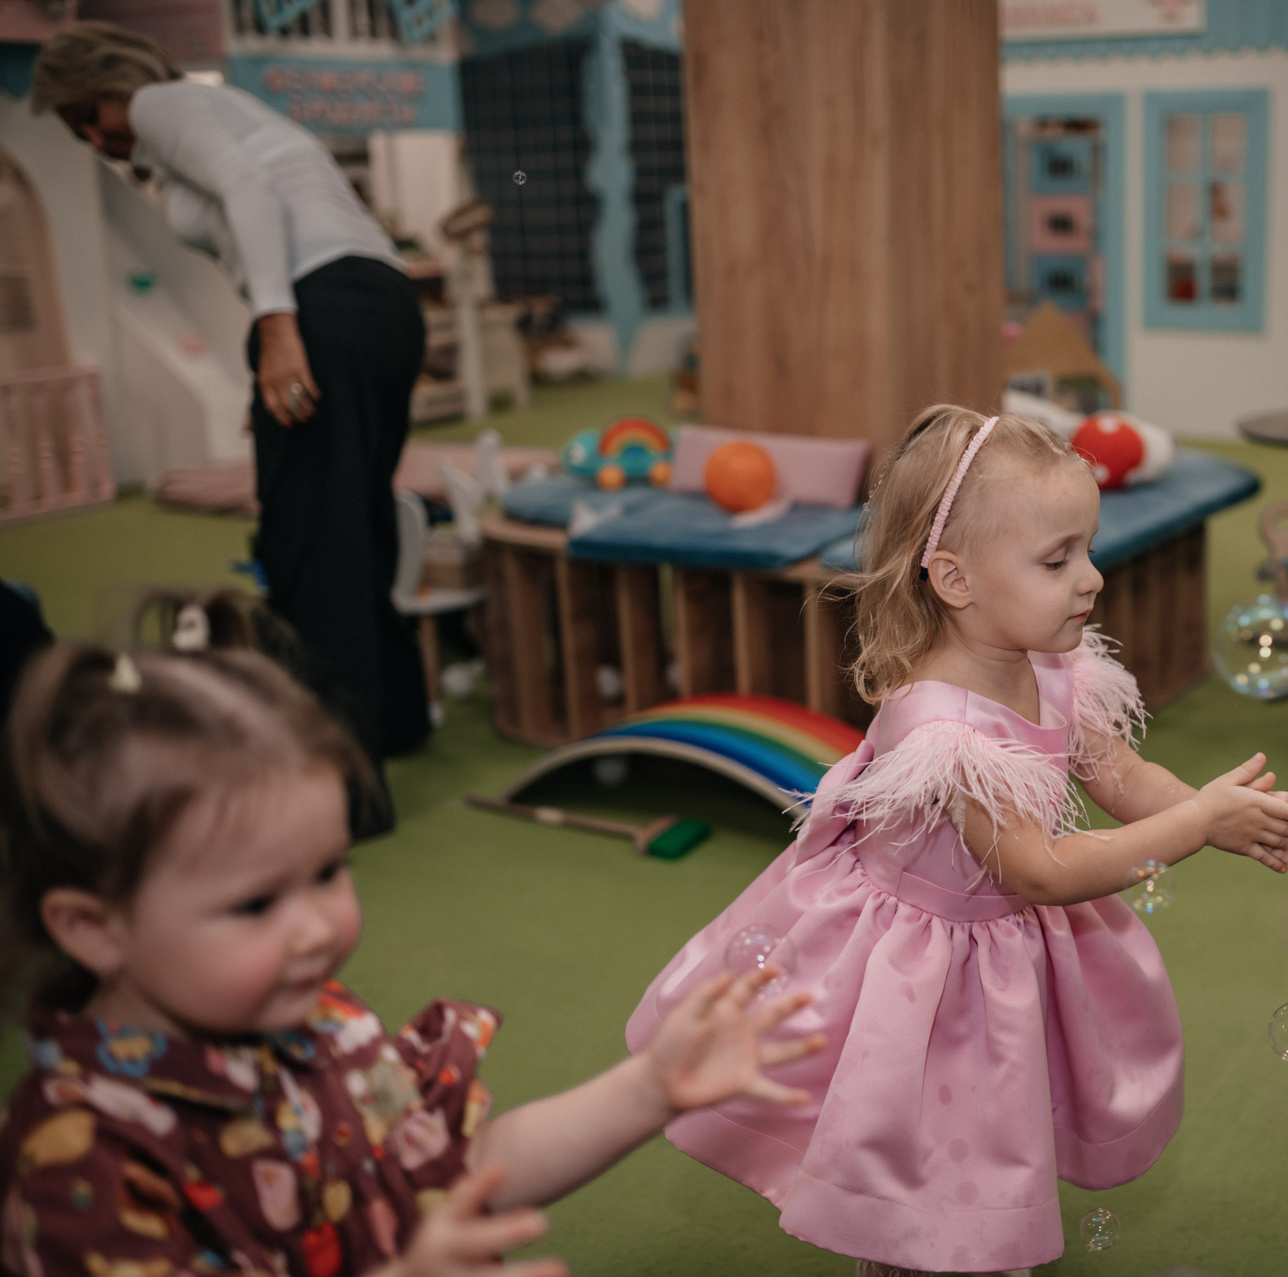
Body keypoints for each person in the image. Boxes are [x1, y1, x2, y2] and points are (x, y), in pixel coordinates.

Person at [624, 407, 1288, 1275]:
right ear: (955, 578)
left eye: (1088, 549)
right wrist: (1196, 824)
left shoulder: (1053, 668)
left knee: (984, 1127)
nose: (1092, 579)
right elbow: (1041, 868)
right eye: (1057, 560)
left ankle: (971, 1241)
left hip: (997, 950)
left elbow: (1118, 773)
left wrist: (1215, 811)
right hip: (921, 965)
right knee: (914, 1137)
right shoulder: (943, 730)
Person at [0, 643, 826, 1274]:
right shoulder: (81, 1161)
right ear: (94, 927)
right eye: (255, 904)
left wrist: (648, 1088)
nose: (316, 928)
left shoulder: (321, 1020)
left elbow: (462, 1172)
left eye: (328, 871)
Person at [31, 23, 433, 825]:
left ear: (111, 83)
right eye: (80, 133)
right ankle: (397, 720)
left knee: (310, 543)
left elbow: (249, 190)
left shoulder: (163, 103)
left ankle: (347, 789)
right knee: (356, 521)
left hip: (320, 311)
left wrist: (279, 333)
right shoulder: (217, 116)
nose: (95, 140)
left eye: (88, 117)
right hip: (382, 309)